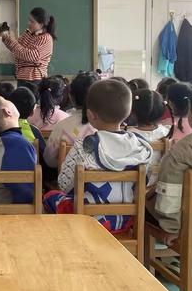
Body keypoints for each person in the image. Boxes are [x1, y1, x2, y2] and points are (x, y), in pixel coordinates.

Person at [44, 80, 152, 233]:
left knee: (50, 197)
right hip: (125, 220)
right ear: (128, 112)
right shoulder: (141, 146)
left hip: (89, 221)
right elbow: (147, 182)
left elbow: (64, 184)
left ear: (90, 114)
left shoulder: (85, 146)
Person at [147, 81, 192, 244]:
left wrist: (171, 227)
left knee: (142, 202)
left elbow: (169, 187)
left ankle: (152, 264)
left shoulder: (186, 147)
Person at [43, 71, 100, 168]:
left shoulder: (62, 126)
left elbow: (50, 161)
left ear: (71, 97)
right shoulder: (108, 126)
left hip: (69, 181)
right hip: (103, 181)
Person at [0, 7, 56, 86]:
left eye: (32, 21)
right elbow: (16, 49)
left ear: (41, 24)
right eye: (29, 20)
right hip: (22, 76)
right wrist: (6, 37)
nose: (28, 23)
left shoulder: (45, 38)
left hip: (34, 79)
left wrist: (12, 40)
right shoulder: (28, 33)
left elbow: (29, 55)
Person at [128, 89, 170, 186]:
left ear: (132, 111)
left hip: (134, 186)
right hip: (158, 185)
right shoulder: (167, 132)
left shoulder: (128, 135)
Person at [8, 87, 46, 159]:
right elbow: (45, 155)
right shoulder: (34, 131)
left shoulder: (1, 128)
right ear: (32, 112)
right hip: (30, 168)